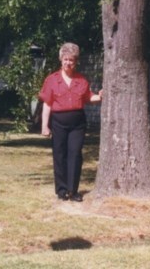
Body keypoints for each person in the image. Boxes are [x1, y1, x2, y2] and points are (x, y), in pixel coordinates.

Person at [38, 43, 102, 202]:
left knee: (75, 154)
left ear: (76, 62)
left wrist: (101, 96)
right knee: (59, 155)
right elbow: (47, 104)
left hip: (77, 123)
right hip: (58, 122)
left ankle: (73, 191)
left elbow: (89, 98)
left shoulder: (81, 80)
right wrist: (44, 126)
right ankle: (61, 190)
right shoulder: (52, 80)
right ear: (61, 60)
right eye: (65, 59)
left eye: (71, 60)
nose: (68, 63)